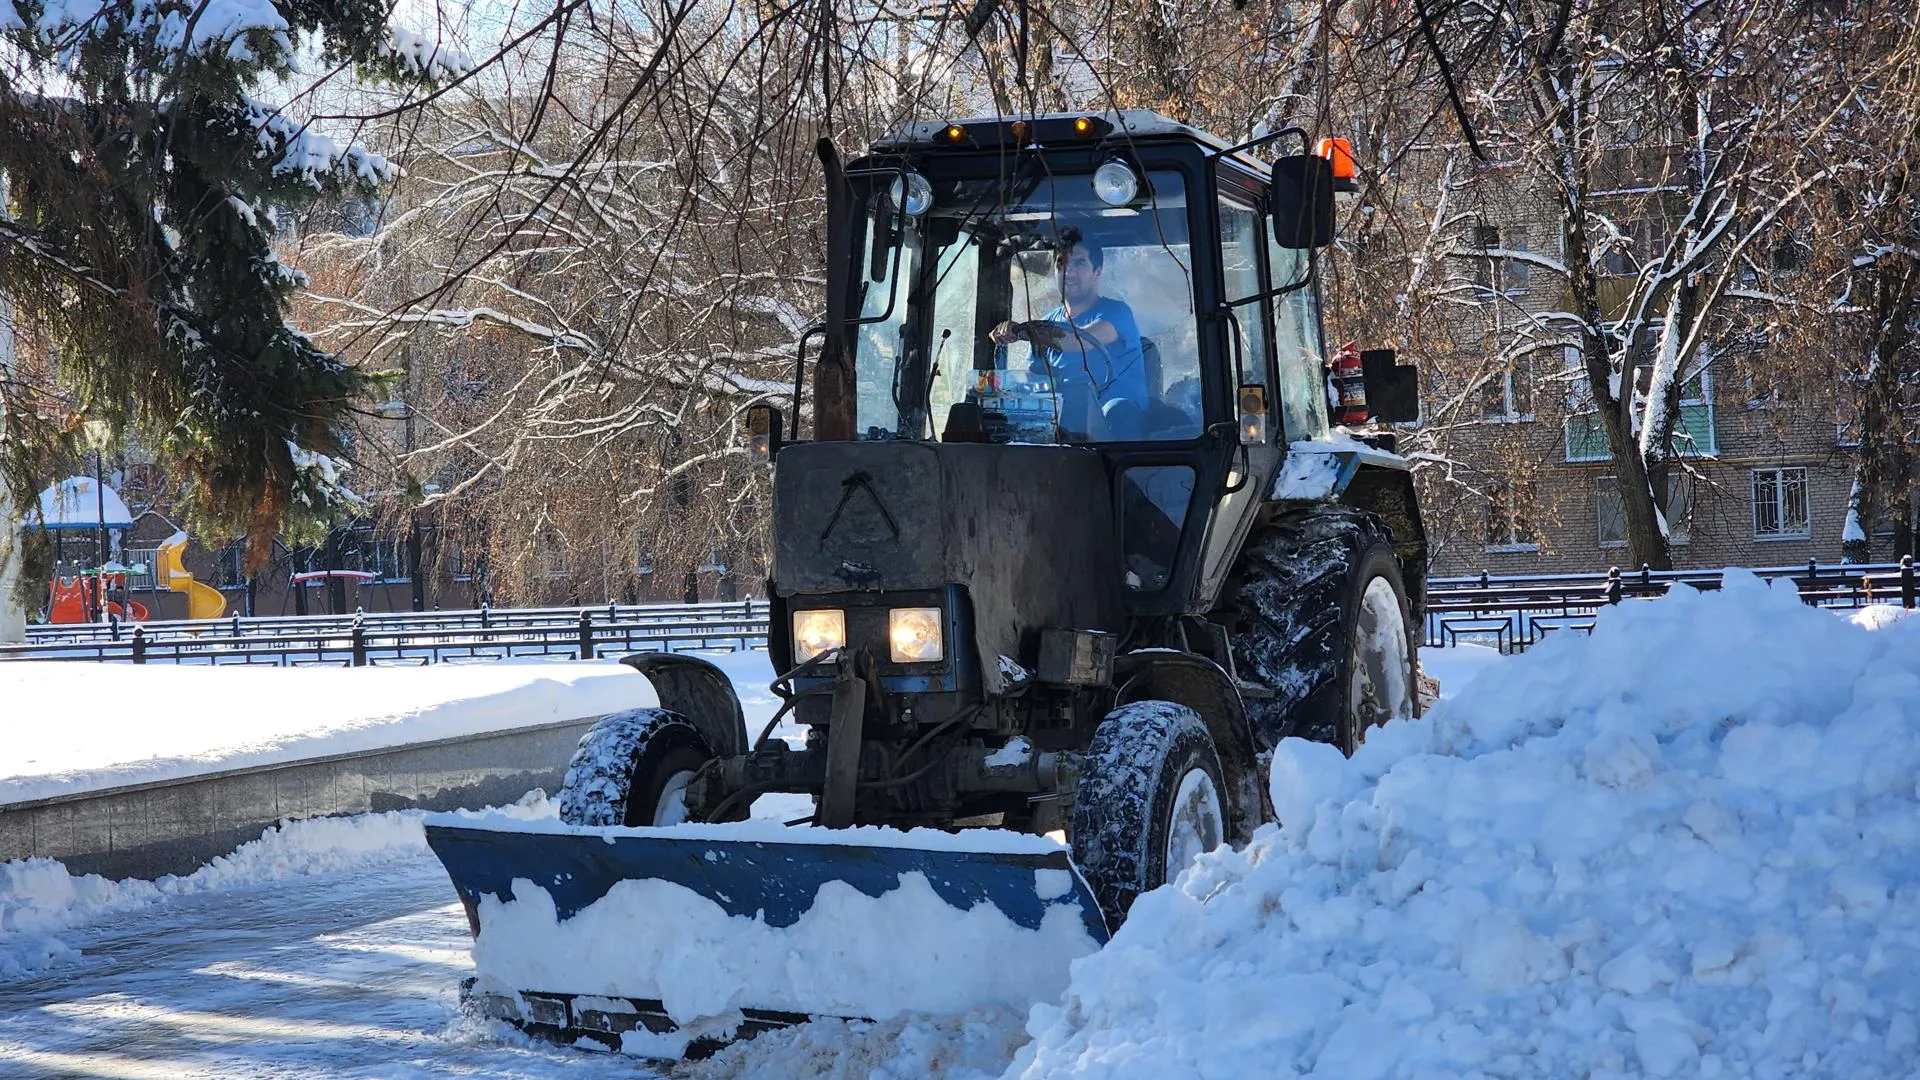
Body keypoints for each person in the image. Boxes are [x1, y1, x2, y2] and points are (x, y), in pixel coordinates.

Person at [991, 234, 1149, 437]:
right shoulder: (1046, 322)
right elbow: (1036, 375)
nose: (1069, 271)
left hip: (1113, 426)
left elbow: (1078, 341)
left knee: (1118, 411)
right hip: (1065, 422)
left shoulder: (1116, 313)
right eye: (1061, 263)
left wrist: (1023, 331)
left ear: (1097, 272)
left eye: (1079, 263)